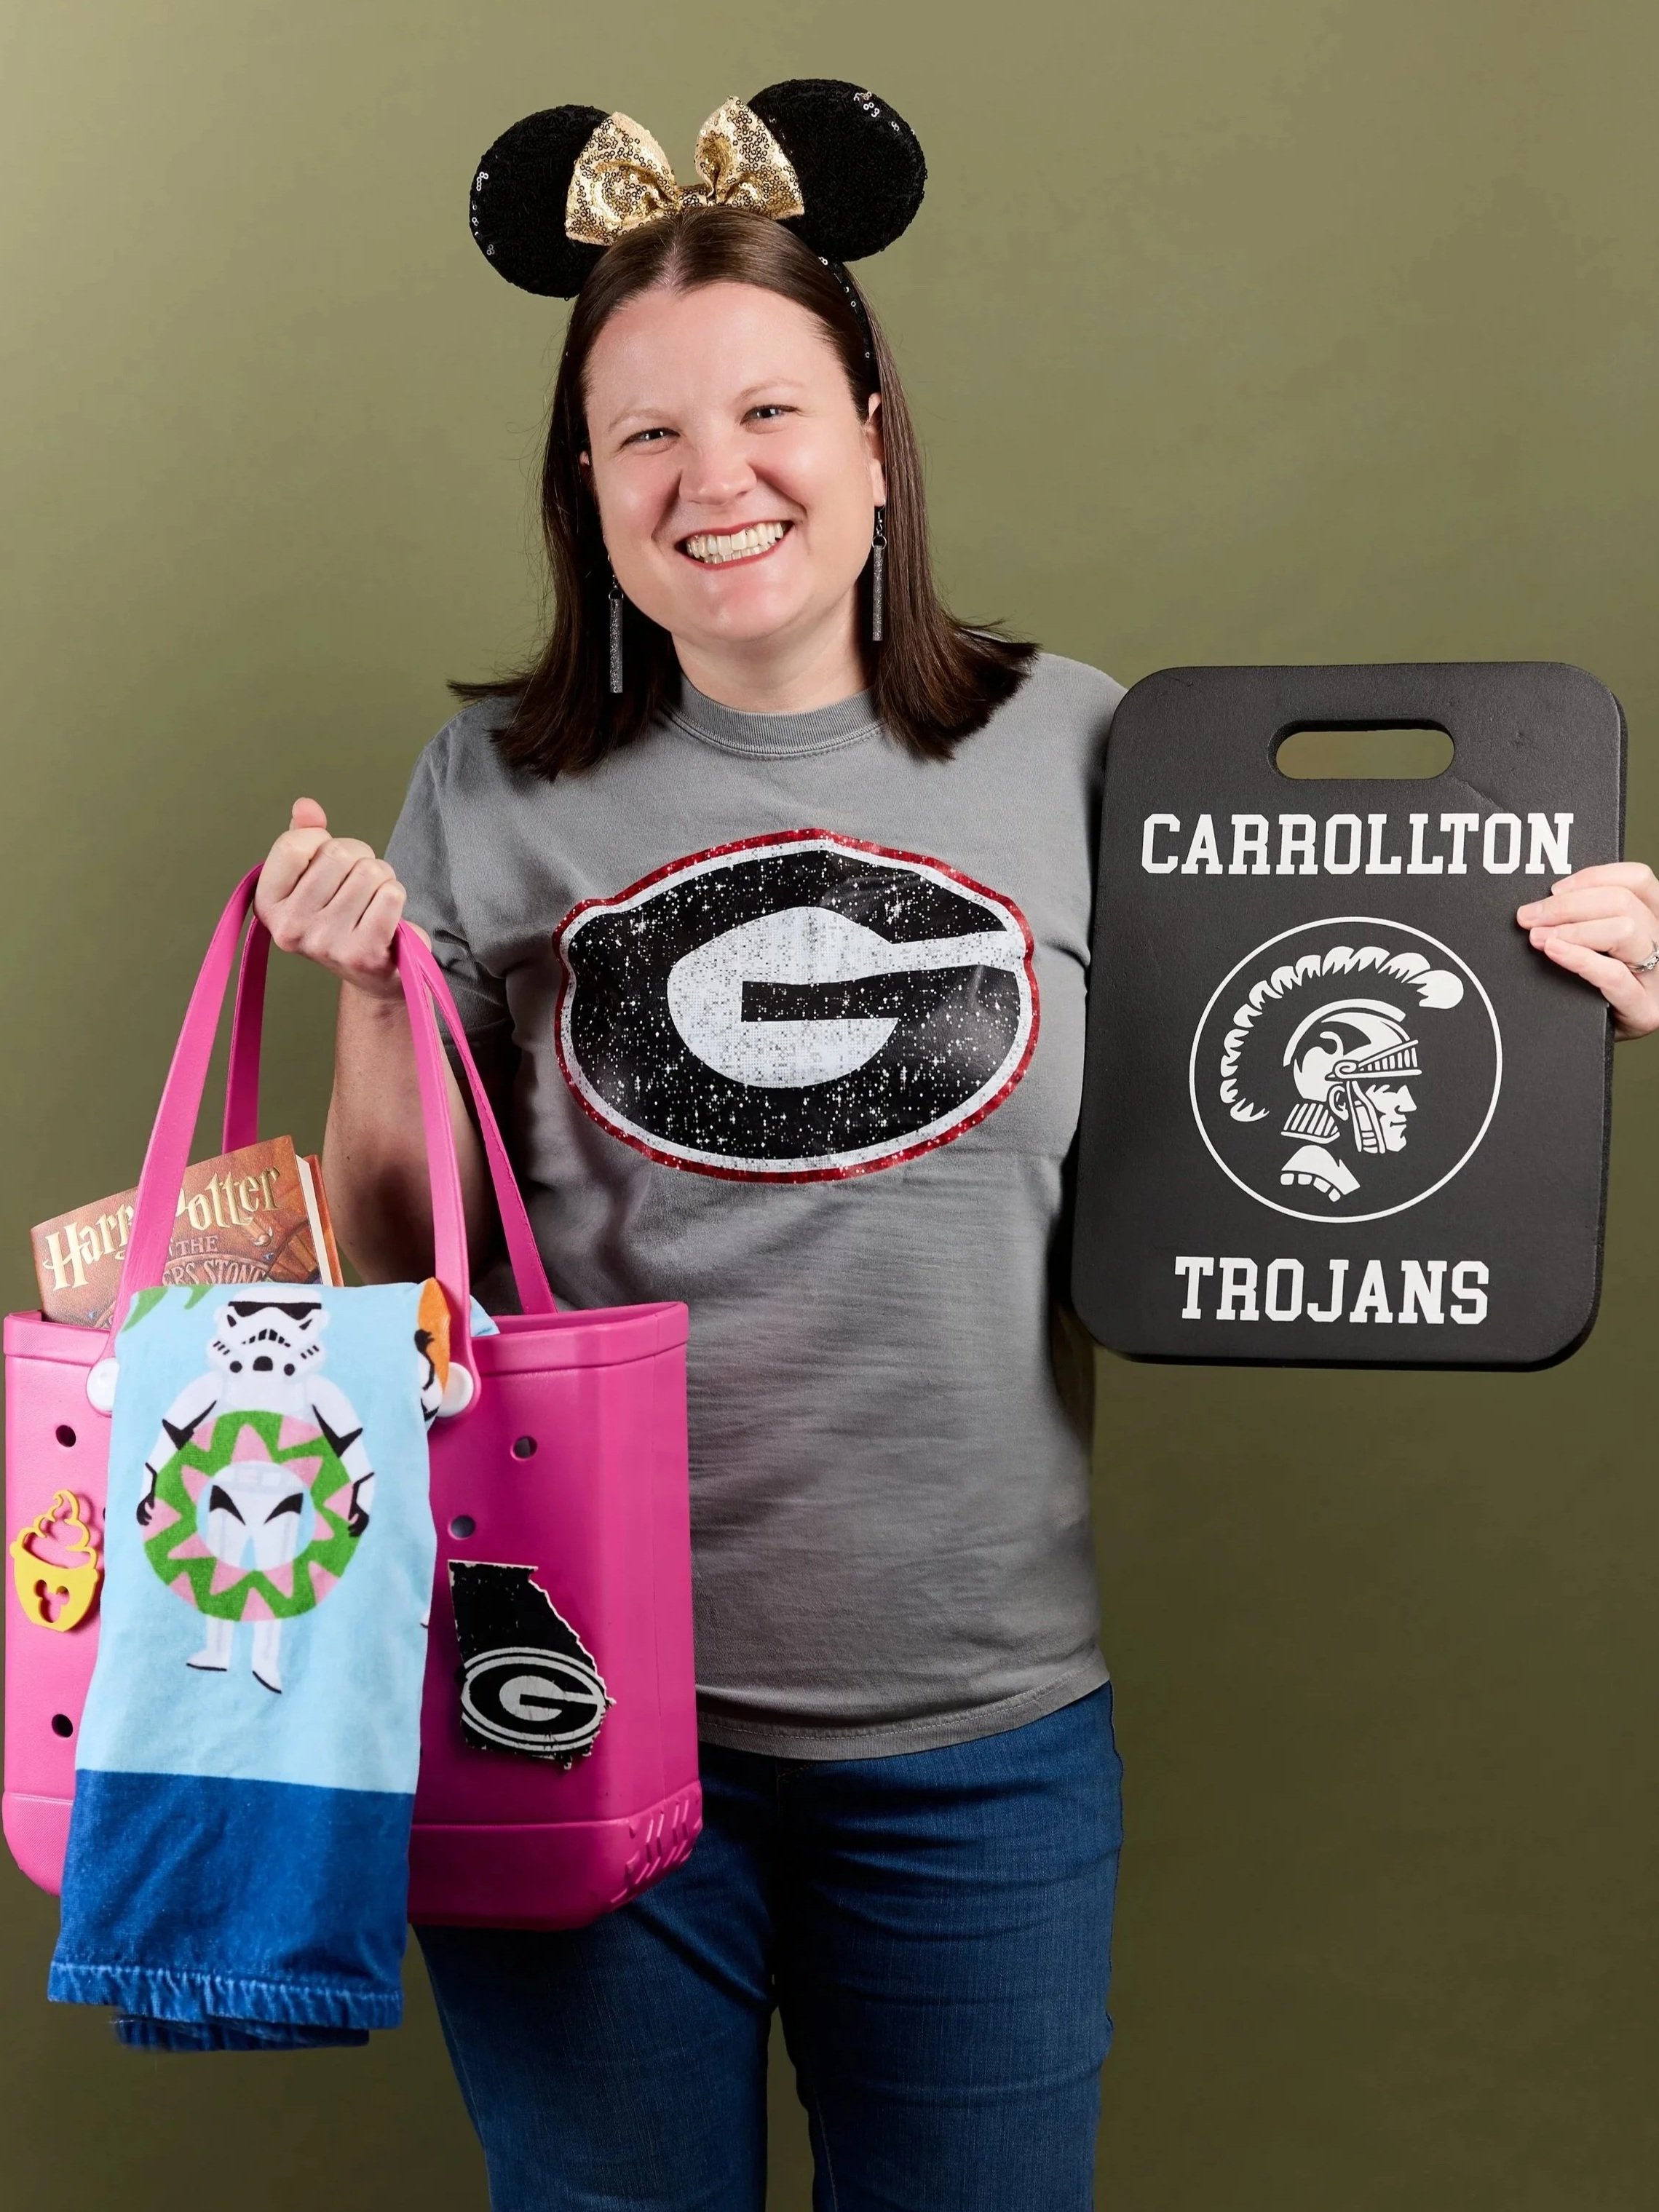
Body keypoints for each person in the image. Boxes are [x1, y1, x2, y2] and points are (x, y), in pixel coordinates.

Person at [252, 83, 1659, 2212]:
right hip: (570, 1706)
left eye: (770, 414)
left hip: (985, 1751)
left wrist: (1545, 967)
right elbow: (378, 1275)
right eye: (641, 435)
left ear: (878, 438)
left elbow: (1313, 1035)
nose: (712, 478)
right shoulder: (487, 785)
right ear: (585, 492)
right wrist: (370, 995)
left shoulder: (1097, 747)